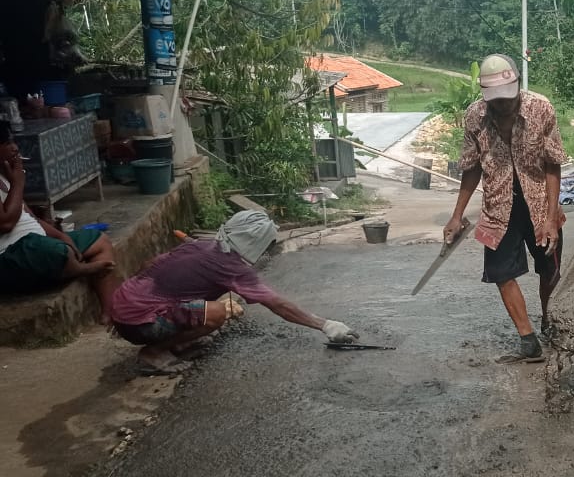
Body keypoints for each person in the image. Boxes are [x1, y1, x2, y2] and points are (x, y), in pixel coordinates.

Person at [109, 210, 358, 375]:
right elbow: (277, 304)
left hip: (122, 309)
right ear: (258, 243)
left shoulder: (202, 246)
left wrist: (128, 304)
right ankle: (153, 353)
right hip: (140, 322)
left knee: (199, 305)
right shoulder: (232, 267)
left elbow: (148, 265)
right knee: (216, 313)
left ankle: (174, 343)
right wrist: (326, 325)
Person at [444, 53, 568, 364]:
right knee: (500, 272)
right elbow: (471, 168)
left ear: (518, 85)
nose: (502, 105)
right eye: (495, 100)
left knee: (549, 269)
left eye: (507, 98)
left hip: (541, 204)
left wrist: (551, 218)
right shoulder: (474, 116)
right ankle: (528, 340)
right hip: (498, 207)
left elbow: (554, 166)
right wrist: (456, 216)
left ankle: (550, 323)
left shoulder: (541, 108)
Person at [0, 119, 119, 317]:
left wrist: (64, 237)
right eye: (6, 144)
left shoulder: (5, 177)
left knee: (100, 241)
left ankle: (110, 312)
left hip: (36, 245)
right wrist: (19, 182)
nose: (15, 148)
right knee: (58, 252)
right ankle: (81, 268)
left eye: (13, 142)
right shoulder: (14, 179)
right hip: (9, 257)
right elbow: (6, 223)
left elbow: (31, 218)